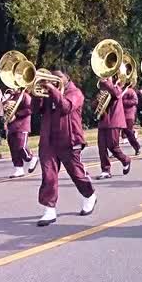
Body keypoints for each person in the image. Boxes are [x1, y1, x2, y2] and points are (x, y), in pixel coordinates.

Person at [35, 70, 97, 226]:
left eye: (58, 78)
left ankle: (89, 195)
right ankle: (49, 209)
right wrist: (35, 93)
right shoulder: (49, 94)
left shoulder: (75, 93)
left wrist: (52, 88)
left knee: (77, 173)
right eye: (52, 78)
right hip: (49, 139)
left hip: (69, 139)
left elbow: (65, 106)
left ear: (67, 78)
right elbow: (36, 110)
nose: (55, 80)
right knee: (48, 175)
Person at [95, 75, 132, 179]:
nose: (105, 79)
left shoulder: (116, 88)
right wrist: (97, 101)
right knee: (101, 147)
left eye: (107, 77)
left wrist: (108, 82)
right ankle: (105, 170)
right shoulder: (103, 91)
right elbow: (95, 107)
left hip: (114, 121)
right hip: (103, 122)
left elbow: (115, 94)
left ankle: (125, 160)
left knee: (112, 146)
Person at [5, 89, 39, 178]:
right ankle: (18, 169)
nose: (11, 88)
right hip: (11, 126)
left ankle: (31, 158)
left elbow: (30, 109)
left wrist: (17, 114)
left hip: (22, 125)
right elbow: (5, 109)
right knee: (13, 148)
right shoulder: (12, 97)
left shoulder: (25, 96)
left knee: (21, 146)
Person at [121, 85, 141, 155]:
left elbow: (135, 101)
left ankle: (137, 147)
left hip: (128, 115)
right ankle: (115, 152)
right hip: (118, 115)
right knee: (114, 135)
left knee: (129, 133)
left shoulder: (130, 91)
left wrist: (122, 101)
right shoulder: (117, 90)